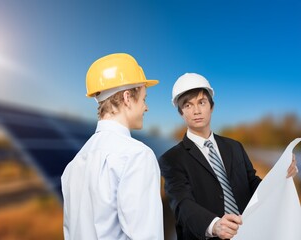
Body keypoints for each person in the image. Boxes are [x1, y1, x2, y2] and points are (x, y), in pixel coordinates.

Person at [158, 73, 298, 240]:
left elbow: (253, 184)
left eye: (201, 102)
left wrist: (281, 176)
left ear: (211, 106)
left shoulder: (234, 146)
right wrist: (214, 225)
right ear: (180, 112)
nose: (196, 111)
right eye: (188, 105)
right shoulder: (171, 159)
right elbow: (182, 204)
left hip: (248, 233)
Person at [61, 53, 164, 240]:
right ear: (127, 97)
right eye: (143, 98)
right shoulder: (137, 156)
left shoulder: (72, 167)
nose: (146, 107)